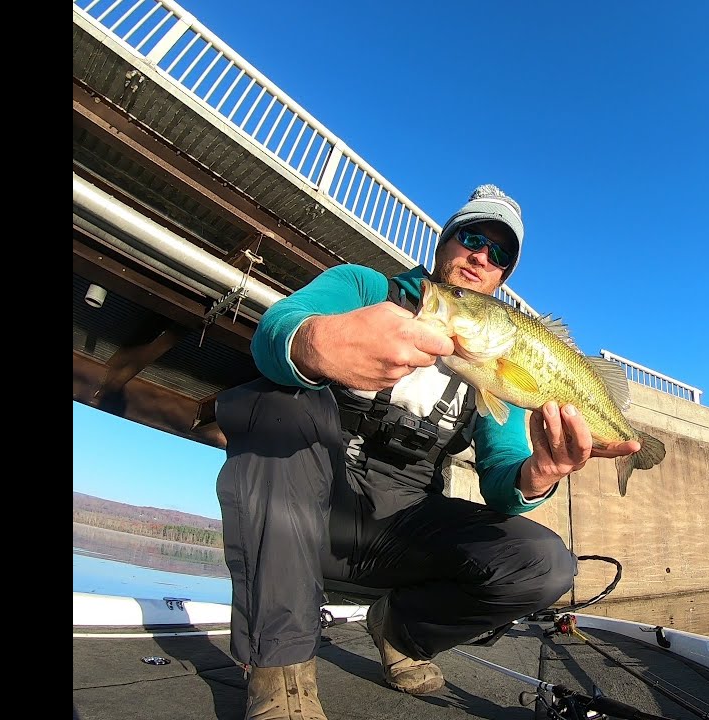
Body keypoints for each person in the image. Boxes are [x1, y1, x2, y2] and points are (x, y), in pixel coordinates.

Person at [214, 184, 643, 720]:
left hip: (400, 531)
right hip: (300, 517)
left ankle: (400, 629)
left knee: (546, 564)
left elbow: (502, 482)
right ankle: (278, 675)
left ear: (502, 278)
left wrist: (539, 474)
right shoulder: (362, 287)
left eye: (499, 254)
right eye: (471, 238)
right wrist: (314, 343)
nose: (481, 256)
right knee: (273, 402)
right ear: (445, 242)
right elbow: (276, 328)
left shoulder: (495, 368)